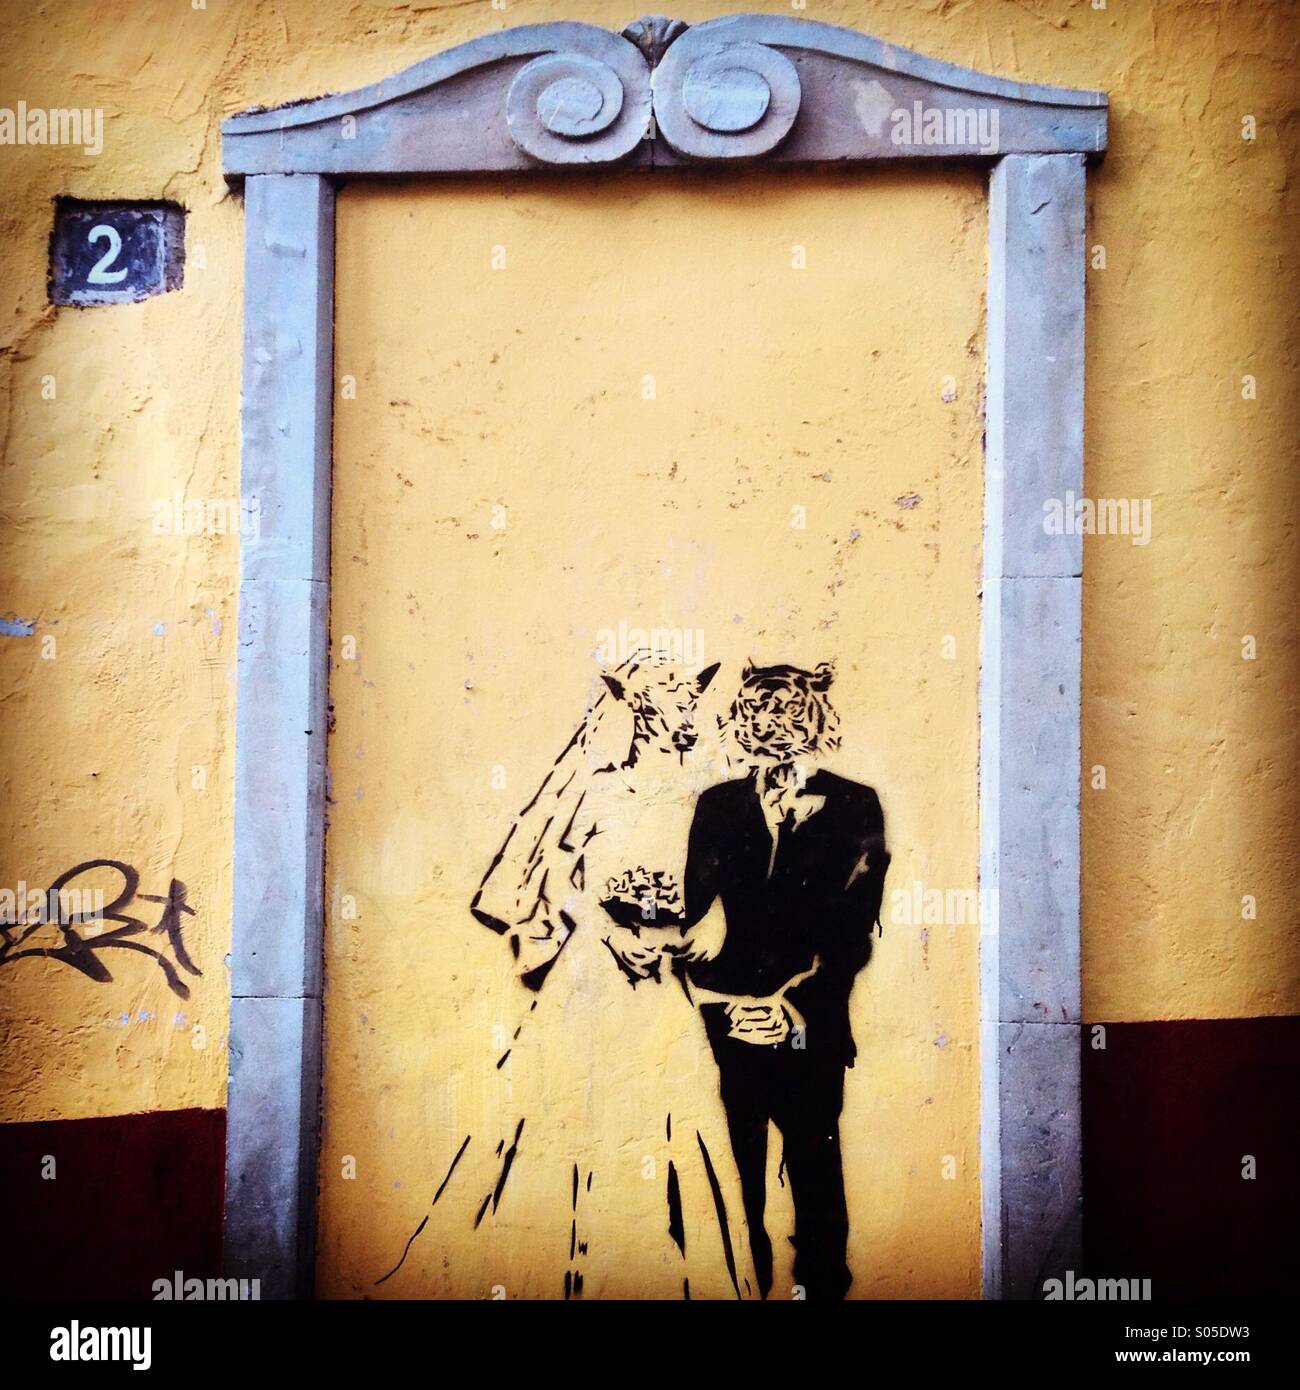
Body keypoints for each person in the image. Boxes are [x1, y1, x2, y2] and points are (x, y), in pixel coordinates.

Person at [678, 660, 889, 1299]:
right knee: (739, 1175)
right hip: (729, 1022)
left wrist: (791, 1007)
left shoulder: (855, 805)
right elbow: (694, 913)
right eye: (757, 711)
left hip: (810, 1024)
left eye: (788, 709)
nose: (771, 723)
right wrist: (713, 996)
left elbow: (855, 931)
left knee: (814, 1163)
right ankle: (752, 1284)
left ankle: (822, 1287)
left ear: (817, 715)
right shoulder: (718, 805)